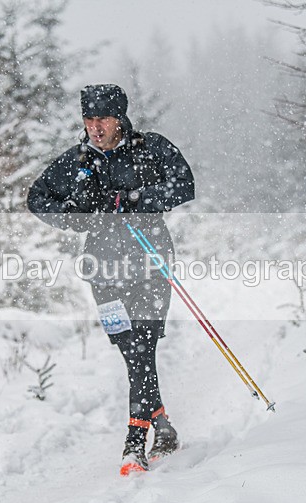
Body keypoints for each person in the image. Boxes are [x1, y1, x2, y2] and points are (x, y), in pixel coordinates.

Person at [27, 84, 195, 475]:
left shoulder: (149, 148)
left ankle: (134, 442)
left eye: (102, 118)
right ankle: (162, 426)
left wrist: (134, 200)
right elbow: (37, 198)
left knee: (143, 345)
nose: (95, 127)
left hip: (150, 261)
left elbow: (183, 185)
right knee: (129, 348)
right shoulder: (78, 159)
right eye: (89, 119)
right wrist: (74, 216)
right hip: (102, 270)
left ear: (119, 118)